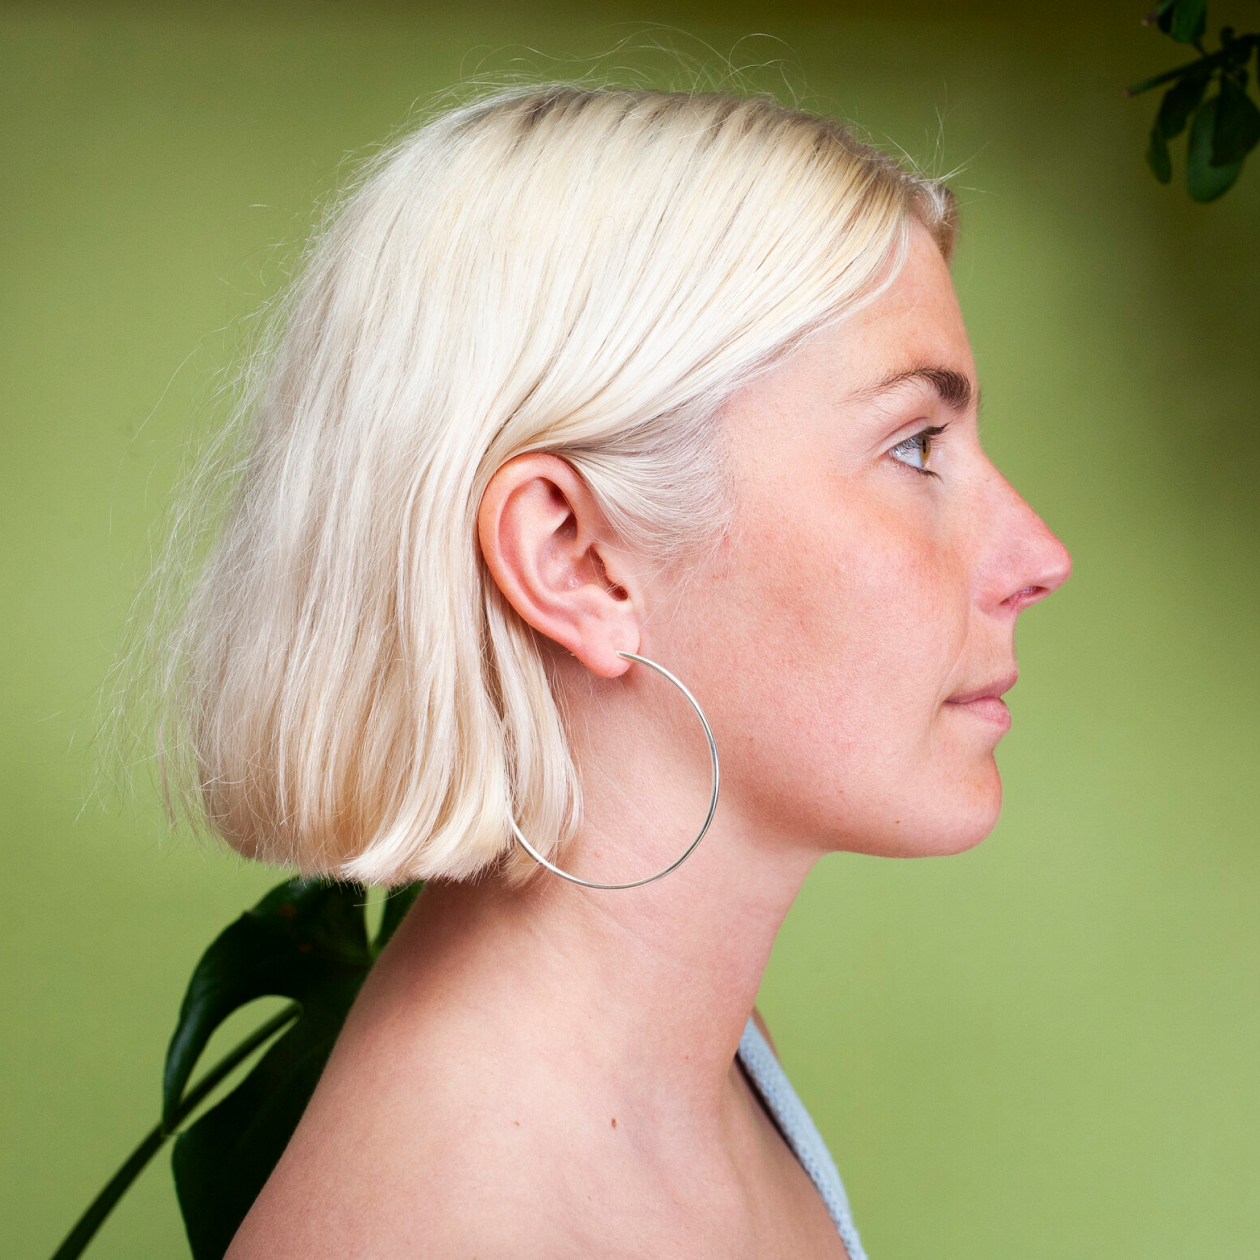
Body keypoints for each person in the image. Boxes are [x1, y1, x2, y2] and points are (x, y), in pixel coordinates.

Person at [155, 85, 1071, 1258]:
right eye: (913, 446)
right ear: (574, 560)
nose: (1037, 555)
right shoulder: (450, 1224)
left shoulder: (705, 1057)